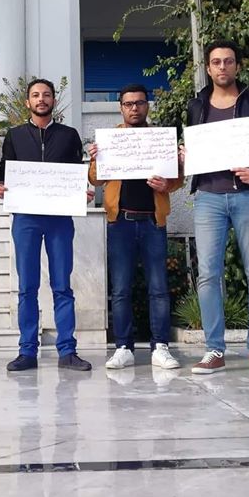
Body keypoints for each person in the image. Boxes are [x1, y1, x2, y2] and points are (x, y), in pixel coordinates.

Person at [184, 40, 249, 375]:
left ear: (238, 66)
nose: (222, 67)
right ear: (208, 68)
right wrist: (186, 155)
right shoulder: (196, 105)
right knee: (208, 275)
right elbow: (194, 149)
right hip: (208, 198)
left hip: (248, 197)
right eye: (216, 62)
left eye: (228, 61)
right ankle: (214, 349)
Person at [0, 78, 93, 372]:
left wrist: (82, 191)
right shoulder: (14, 136)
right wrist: (0, 187)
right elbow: (4, 174)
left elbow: (77, 173)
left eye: (46, 95)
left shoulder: (69, 135)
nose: (41, 99)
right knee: (27, 286)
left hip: (59, 218)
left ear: (53, 101)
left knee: (62, 285)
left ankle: (67, 351)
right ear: (28, 102)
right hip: (26, 218)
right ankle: (27, 351)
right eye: (35, 95)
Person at [87, 83, 184, 370]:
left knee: (159, 288)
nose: (134, 108)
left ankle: (161, 347)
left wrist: (168, 183)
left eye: (139, 103)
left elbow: (176, 180)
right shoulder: (111, 140)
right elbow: (96, 180)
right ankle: (123, 347)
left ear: (147, 106)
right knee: (120, 289)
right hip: (121, 222)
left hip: (154, 221)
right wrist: (95, 158)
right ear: (121, 108)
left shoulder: (160, 139)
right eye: (128, 104)